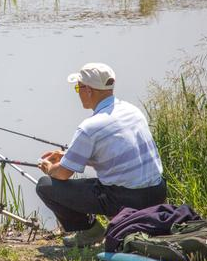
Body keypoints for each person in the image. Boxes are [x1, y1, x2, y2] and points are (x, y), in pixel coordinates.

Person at [36, 62, 166, 247]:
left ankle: (90, 231)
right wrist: (67, 155)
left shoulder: (89, 127)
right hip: (157, 193)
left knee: (45, 186)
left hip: (126, 199)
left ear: (88, 90)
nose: (78, 92)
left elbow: (62, 174)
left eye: (77, 88)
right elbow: (117, 155)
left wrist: (49, 168)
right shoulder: (132, 111)